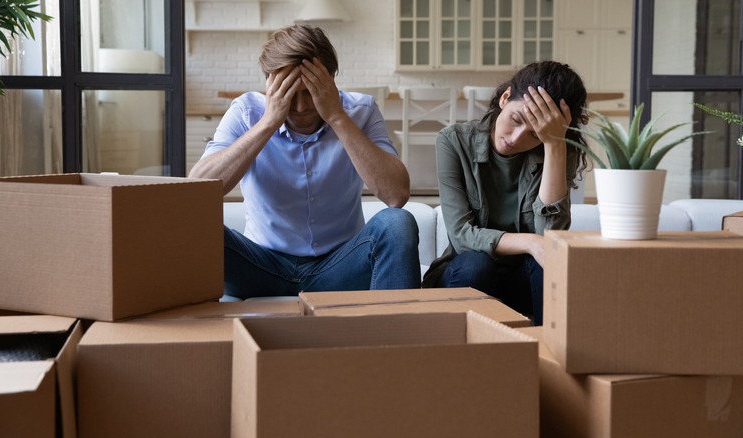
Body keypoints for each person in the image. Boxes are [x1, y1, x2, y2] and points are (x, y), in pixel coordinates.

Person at [189, 24, 421, 299]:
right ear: (270, 84)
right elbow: (197, 189)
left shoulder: (361, 110)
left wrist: (336, 116)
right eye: (289, 93)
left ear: (330, 81)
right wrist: (268, 122)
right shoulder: (246, 112)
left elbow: (397, 195)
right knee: (191, 225)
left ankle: (395, 327)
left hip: (339, 267)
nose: (300, 107)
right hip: (260, 266)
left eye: (310, 91)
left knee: (397, 223)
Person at [421, 61, 589, 326]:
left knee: (548, 262)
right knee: (477, 264)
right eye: (516, 120)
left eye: (535, 134)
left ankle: (549, 349)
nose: (516, 138)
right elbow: (462, 235)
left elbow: (550, 235)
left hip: (522, 282)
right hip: (466, 276)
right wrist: (530, 243)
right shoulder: (454, 141)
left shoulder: (556, 152)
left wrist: (554, 145)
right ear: (505, 97)